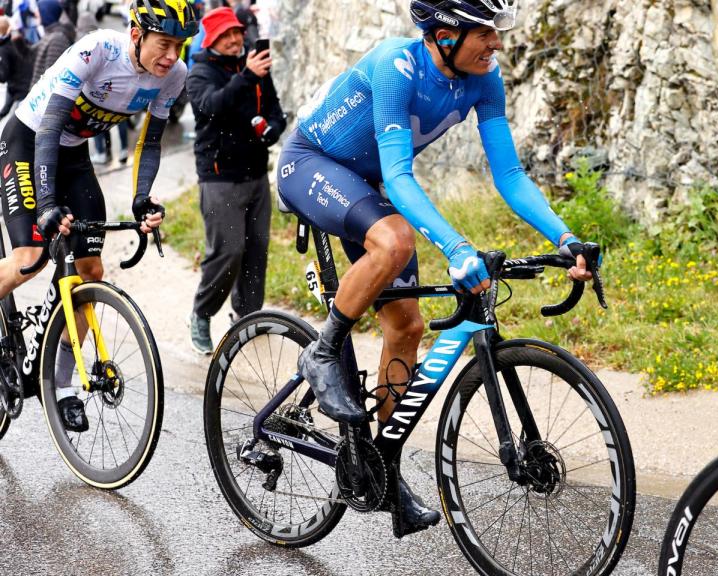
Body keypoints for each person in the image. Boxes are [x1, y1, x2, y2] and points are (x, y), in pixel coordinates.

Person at [276, 0, 594, 538]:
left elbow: (511, 175)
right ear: (445, 33)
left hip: (367, 186)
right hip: (311, 163)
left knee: (406, 327)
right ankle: (322, 350)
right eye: (485, 34)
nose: (496, 45)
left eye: (497, 34)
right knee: (396, 238)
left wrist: (564, 237)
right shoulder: (395, 64)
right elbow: (399, 177)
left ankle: (381, 468)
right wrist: (455, 247)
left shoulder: (483, 78)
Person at [0, 0, 196, 432]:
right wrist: (48, 204)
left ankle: (62, 385)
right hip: (29, 141)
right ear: (136, 34)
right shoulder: (96, 51)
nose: (171, 56)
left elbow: (150, 142)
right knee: (29, 259)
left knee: (90, 271)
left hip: (73, 156)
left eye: (179, 46)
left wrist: (143, 198)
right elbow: (49, 128)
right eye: (164, 43)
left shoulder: (173, 76)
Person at [186, 6, 282, 354]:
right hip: (219, 178)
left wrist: (274, 127)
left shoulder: (253, 66)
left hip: (256, 174)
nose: (234, 39)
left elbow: (273, 106)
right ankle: (201, 313)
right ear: (211, 40)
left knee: (256, 250)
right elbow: (214, 104)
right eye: (226, 35)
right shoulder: (199, 73)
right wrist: (248, 76)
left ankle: (247, 318)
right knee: (228, 252)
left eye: (237, 33)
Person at [30, 0, 74, 85]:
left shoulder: (57, 39)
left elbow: (51, 77)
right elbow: (29, 55)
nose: (36, 14)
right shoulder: (49, 34)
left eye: (38, 11)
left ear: (46, 13)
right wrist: (16, 38)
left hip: (42, 95)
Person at [0, 15, 34, 119]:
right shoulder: (18, 39)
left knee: (13, 120)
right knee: (5, 110)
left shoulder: (4, 49)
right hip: (21, 84)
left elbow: (3, 77)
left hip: (20, 89)